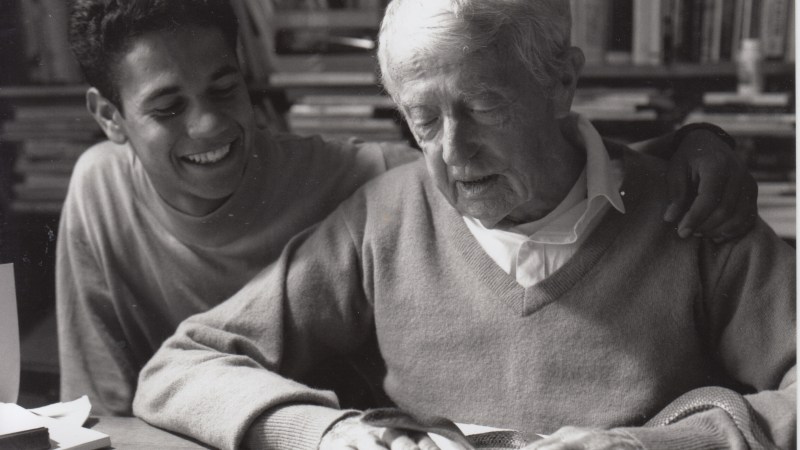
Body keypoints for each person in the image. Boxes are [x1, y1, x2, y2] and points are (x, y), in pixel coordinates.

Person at [132, 0, 795, 449]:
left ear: (561, 82)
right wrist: (323, 435)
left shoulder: (694, 209)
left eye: (482, 107)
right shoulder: (382, 221)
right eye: (423, 122)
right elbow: (181, 366)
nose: (453, 153)